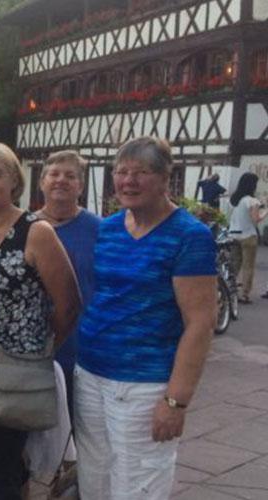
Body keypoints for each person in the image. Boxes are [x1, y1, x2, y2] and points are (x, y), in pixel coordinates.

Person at [75, 137, 217, 500]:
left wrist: (176, 401)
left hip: (143, 383)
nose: (128, 181)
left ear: (165, 177)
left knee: (138, 483)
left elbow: (200, 323)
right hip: (90, 373)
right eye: (121, 172)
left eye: (141, 172)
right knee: (94, 476)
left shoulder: (189, 236)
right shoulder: (107, 229)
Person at [0, 143, 80, 500]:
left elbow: (68, 304)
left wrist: (40, 350)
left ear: (15, 181)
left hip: (13, 372)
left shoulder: (36, 232)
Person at [34, 150, 101, 412]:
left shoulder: (99, 229)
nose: (61, 180)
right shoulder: (24, 228)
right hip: (36, 344)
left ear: (81, 187)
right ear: (42, 182)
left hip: (83, 345)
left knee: (82, 426)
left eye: (70, 176)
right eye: (54, 174)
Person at [227, 172, 265, 304]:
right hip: (248, 236)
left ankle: (229, 290)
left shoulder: (233, 200)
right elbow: (256, 219)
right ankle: (245, 294)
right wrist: (266, 211)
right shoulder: (252, 201)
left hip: (233, 235)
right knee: (248, 266)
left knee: (234, 265)